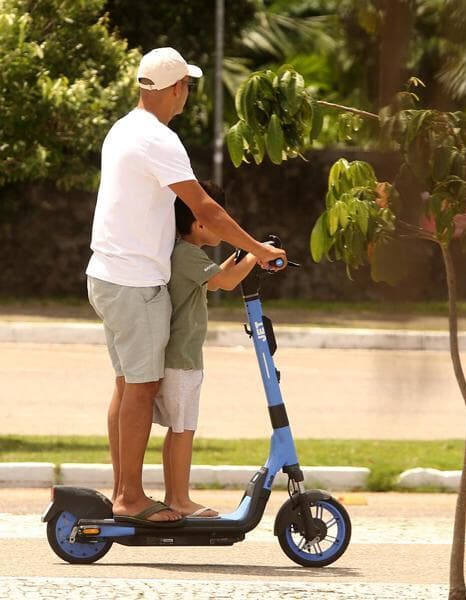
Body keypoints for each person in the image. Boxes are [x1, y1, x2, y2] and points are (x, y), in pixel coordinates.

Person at [86, 47, 286, 527]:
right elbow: (207, 212)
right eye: (188, 87)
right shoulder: (159, 139)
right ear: (176, 88)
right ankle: (129, 498)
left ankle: (124, 490)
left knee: (127, 385)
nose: (187, 95)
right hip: (134, 281)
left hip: (108, 274)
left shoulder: (123, 129)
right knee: (140, 387)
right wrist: (259, 248)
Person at [154, 181, 269, 518]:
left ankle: (175, 496)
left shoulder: (184, 253)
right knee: (183, 430)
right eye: (219, 219)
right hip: (182, 359)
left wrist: (240, 260)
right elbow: (226, 283)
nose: (224, 225)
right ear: (199, 222)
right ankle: (179, 499)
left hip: (180, 356)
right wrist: (256, 254)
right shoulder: (187, 254)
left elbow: (214, 278)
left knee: (178, 430)